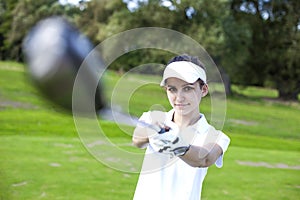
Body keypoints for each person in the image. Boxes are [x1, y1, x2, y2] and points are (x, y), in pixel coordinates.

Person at [132, 54, 230, 200]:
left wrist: (176, 144)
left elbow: (204, 159)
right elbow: (137, 140)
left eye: (188, 89)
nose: (179, 97)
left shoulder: (215, 136)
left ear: (203, 90)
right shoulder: (152, 118)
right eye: (172, 89)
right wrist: (151, 132)